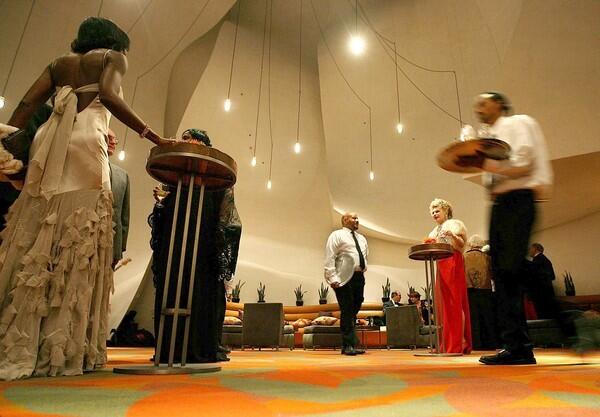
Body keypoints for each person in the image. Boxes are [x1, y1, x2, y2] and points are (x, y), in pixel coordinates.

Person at [0, 17, 170, 380]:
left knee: (39, 237)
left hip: (49, 143)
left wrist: (10, 144)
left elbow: (27, 105)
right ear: (115, 43)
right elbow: (107, 97)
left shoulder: (60, 64)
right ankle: (63, 346)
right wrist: (151, 135)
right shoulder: (111, 57)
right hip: (84, 148)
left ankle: (23, 340)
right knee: (81, 238)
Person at [461, 91, 553, 365]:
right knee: (502, 275)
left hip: (518, 200)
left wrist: (484, 163)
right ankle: (517, 346)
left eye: (484, 101)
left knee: (511, 270)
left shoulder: (517, 123)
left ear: (499, 103)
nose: (479, 106)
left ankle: (563, 324)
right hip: (501, 205)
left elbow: (522, 161)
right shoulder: (490, 137)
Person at [149, 129, 241, 363]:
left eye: (193, 140)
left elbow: (228, 219)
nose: (187, 143)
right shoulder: (173, 179)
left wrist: (219, 247)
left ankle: (201, 347)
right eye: (185, 139)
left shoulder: (218, 180)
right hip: (175, 248)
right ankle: (168, 347)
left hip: (204, 249)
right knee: (172, 287)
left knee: (202, 290)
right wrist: (162, 204)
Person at [427, 198, 472, 354]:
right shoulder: (434, 231)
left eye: (437, 210)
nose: (434, 214)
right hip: (440, 263)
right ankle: (445, 343)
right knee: (443, 305)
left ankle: (459, 342)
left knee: (454, 302)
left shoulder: (455, 224)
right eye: (432, 211)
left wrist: (452, 235)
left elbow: (461, 245)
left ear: (446, 211)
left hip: (453, 262)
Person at [324, 212, 368, 356]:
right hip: (343, 276)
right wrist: (332, 278)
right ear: (345, 220)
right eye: (354, 218)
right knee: (347, 307)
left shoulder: (361, 238)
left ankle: (349, 342)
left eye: (357, 218)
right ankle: (348, 344)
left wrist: (362, 268)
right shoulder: (336, 235)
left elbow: (364, 255)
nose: (357, 220)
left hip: (358, 275)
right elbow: (330, 256)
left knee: (357, 304)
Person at [464, 234, 498, 349]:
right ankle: (490, 344)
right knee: (487, 318)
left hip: (469, 290)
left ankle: (475, 343)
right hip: (485, 290)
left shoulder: (464, 257)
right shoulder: (487, 258)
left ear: (470, 244)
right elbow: (493, 274)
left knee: (473, 318)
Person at [106, 129, 130, 270]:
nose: (113, 142)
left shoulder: (122, 175)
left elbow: (124, 216)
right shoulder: (84, 167)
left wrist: (119, 249)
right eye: (109, 137)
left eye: (115, 139)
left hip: (111, 245)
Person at [524, 243, 556, 319]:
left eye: (530, 249)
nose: (529, 251)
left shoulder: (537, 260)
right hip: (546, 293)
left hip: (540, 294)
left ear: (535, 249)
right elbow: (552, 276)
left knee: (542, 316)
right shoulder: (545, 259)